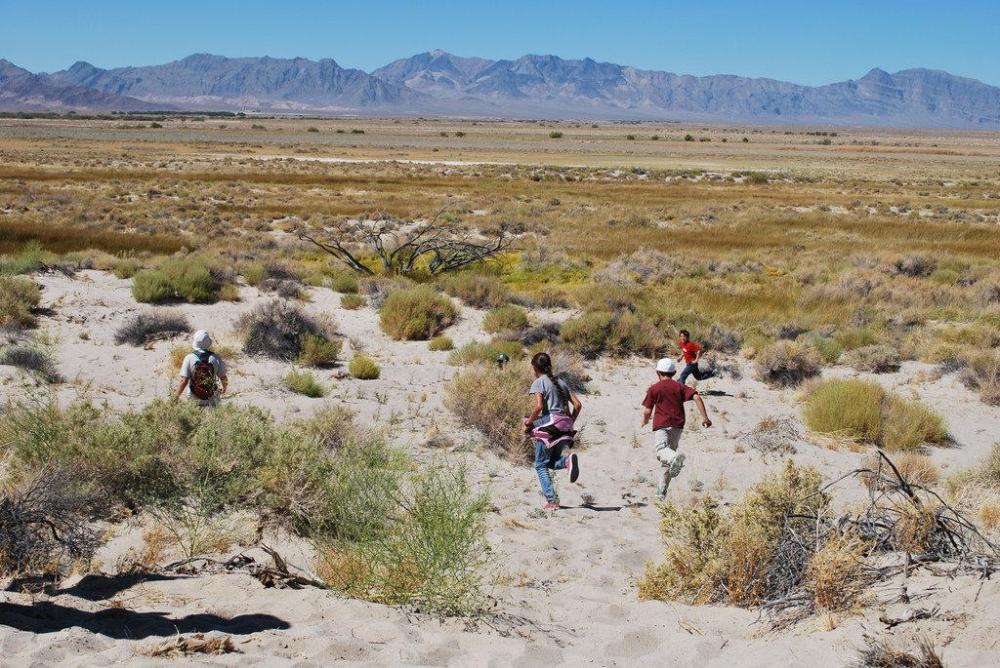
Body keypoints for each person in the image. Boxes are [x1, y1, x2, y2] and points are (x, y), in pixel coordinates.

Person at [641, 358, 712, 500]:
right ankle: (661, 491)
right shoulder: (679, 386)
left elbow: (648, 410)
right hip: (678, 426)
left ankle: (675, 458)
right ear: (674, 373)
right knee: (667, 460)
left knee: (661, 452)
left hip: (662, 425)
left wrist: (644, 420)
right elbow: (697, 397)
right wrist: (705, 418)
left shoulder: (654, 388)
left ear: (657, 372)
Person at [524, 352, 582, 510]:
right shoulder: (561, 382)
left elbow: (538, 407)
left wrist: (528, 423)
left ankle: (552, 500)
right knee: (550, 462)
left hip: (551, 425)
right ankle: (567, 461)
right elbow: (578, 405)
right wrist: (570, 422)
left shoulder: (539, 382)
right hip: (566, 426)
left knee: (540, 465)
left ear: (535, 368)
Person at [176, 330, 228, 406]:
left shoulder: (189, 358)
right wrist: (224, 388)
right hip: (212, 397)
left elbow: (183, 380)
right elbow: (223, 377)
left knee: (193, 413)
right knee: (214, 413)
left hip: (193, 397)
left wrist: (176, 397)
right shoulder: (216, 357)